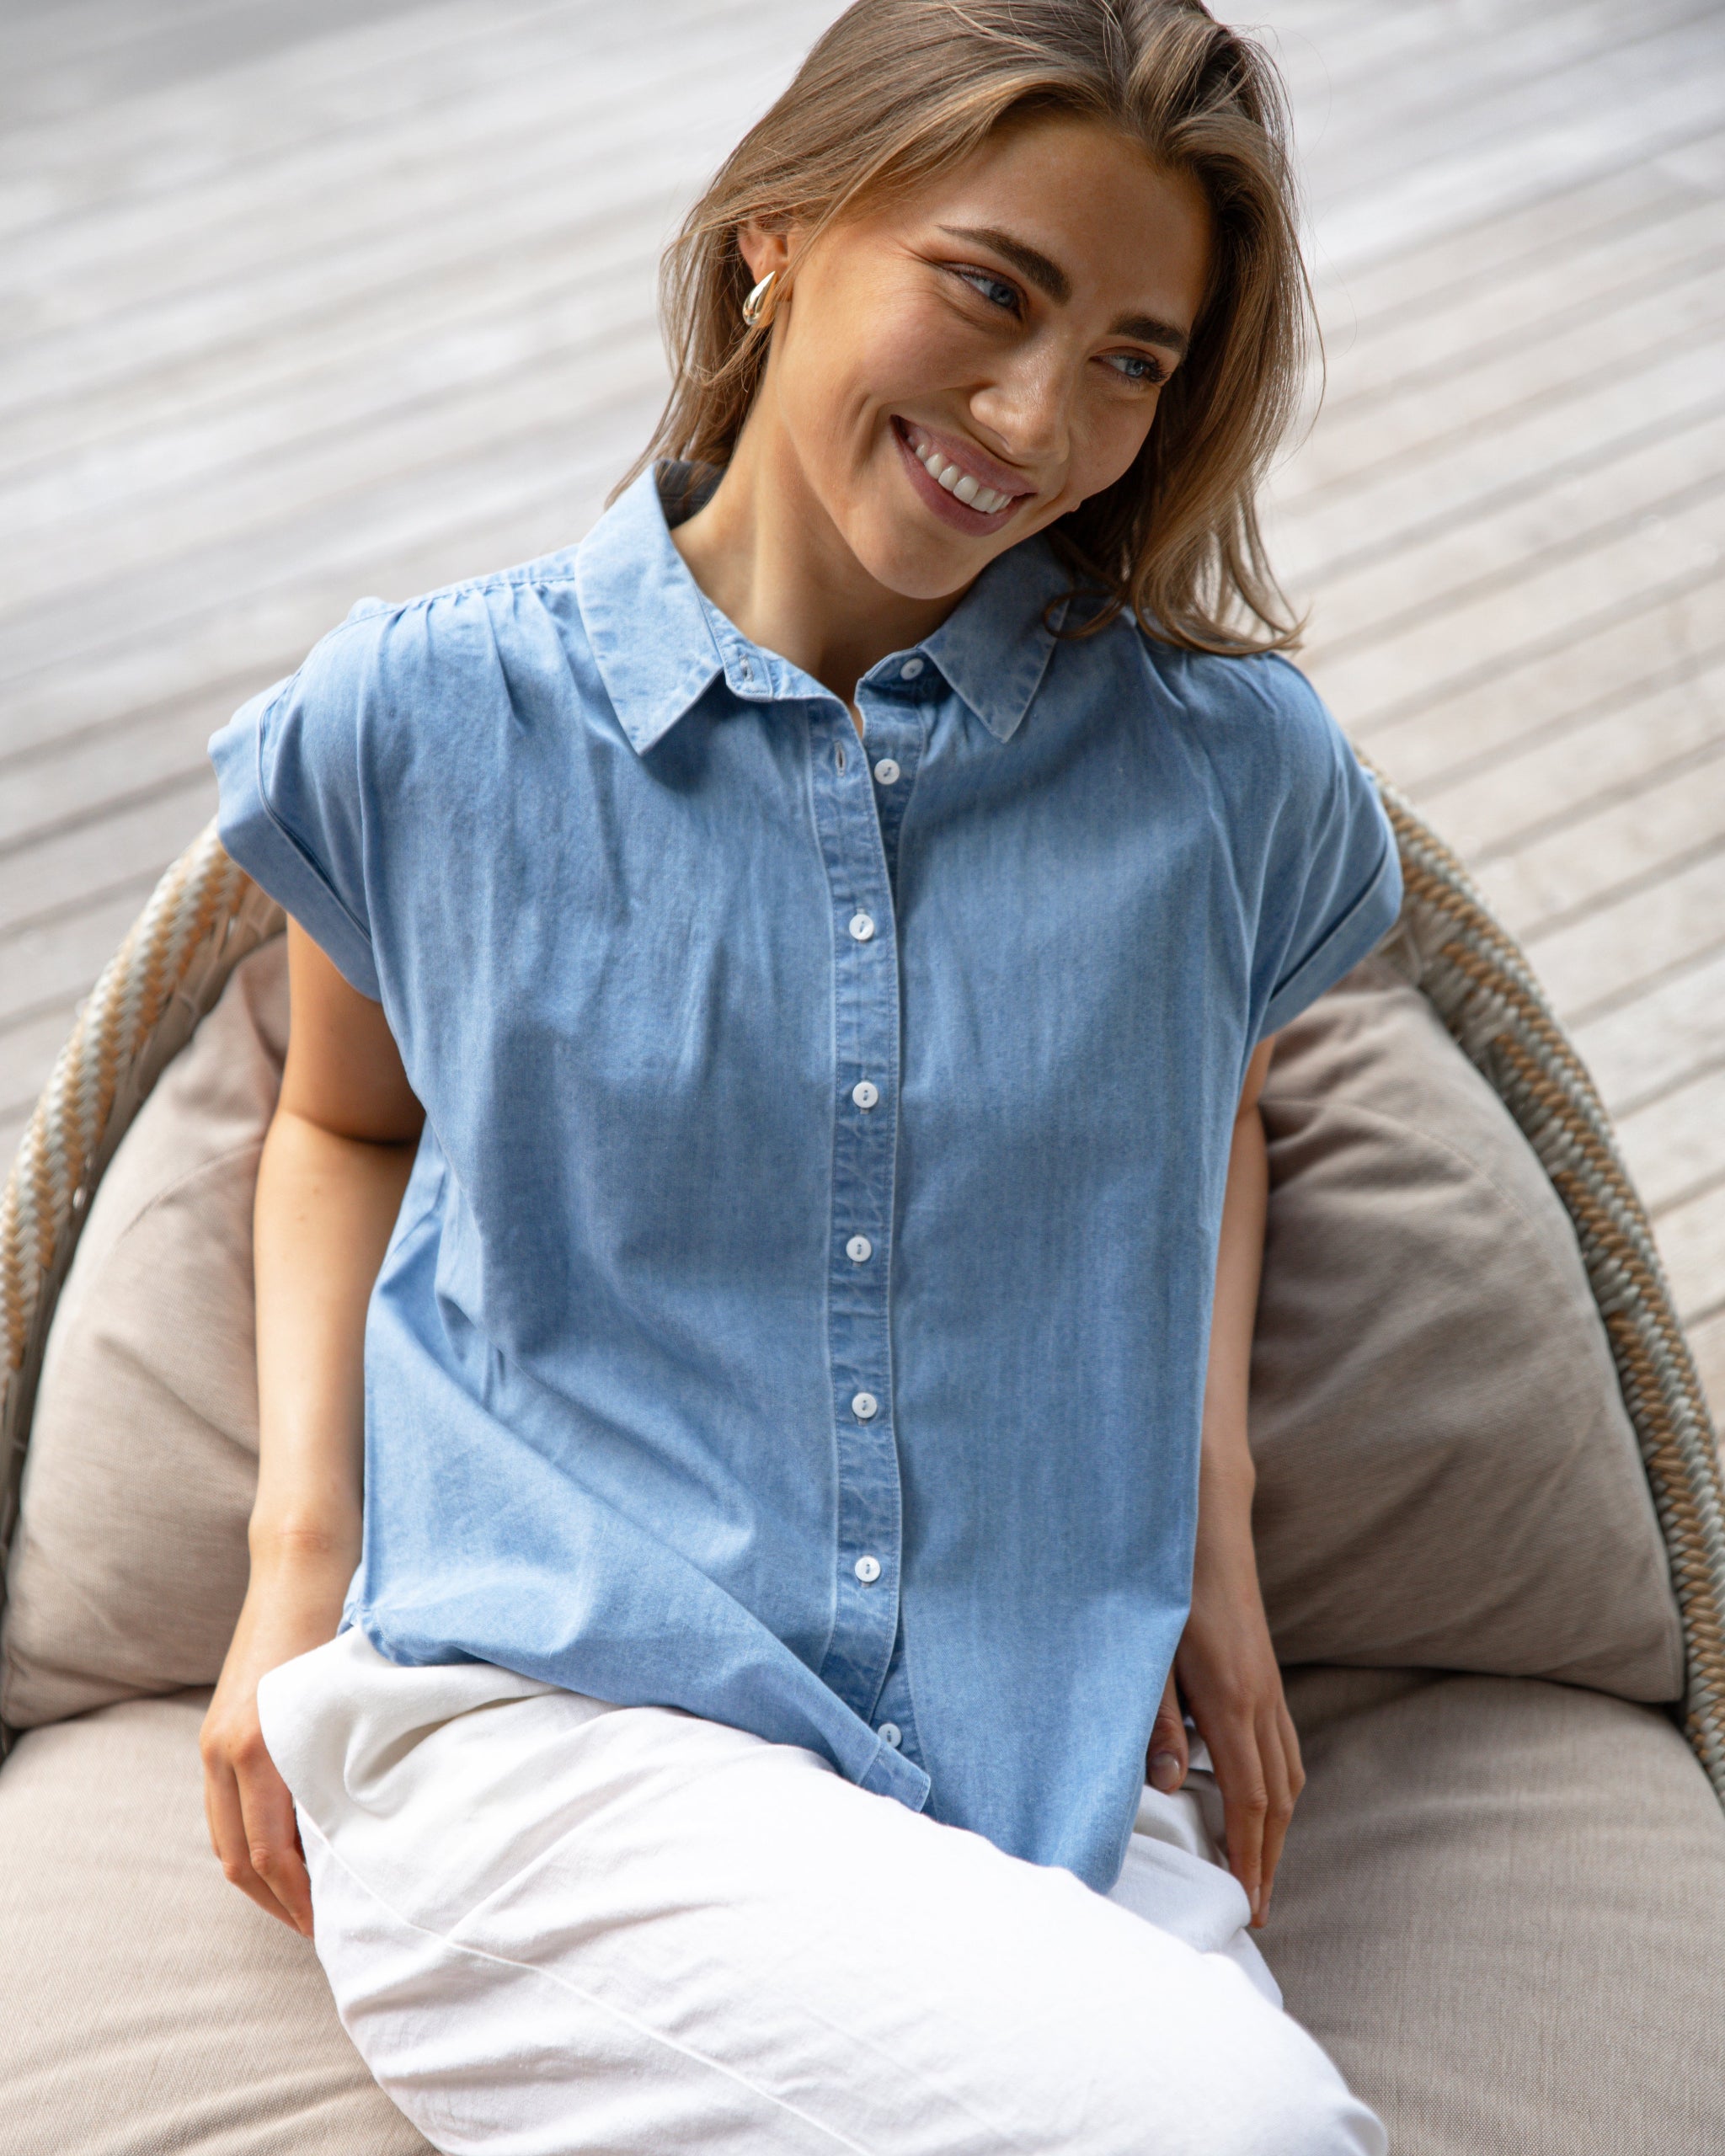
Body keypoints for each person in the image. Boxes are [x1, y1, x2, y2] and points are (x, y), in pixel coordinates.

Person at [200, 3, 1400, 2148]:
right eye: (990, 290)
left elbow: (1192, 1088)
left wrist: (1207, 1522)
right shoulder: (422, 719)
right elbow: (342, 1116)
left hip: (1032, 1778)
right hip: (543, 1734)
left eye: (1131, 355)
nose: (1038, 419)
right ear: (779, 230)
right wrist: (298, 1556)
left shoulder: (1224, 780)